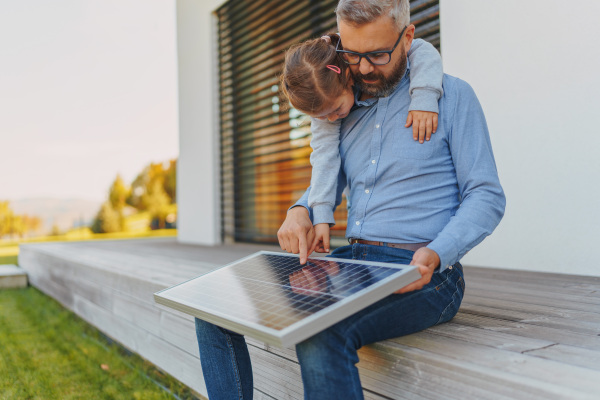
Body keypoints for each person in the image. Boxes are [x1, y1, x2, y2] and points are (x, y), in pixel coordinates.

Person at [196, 0, 506, 398]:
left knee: (321, 330)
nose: (361, 69)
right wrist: (299, 210)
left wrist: (438, 252)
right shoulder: (342, 108)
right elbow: (327, 181)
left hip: (428, 273)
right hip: (354, 262)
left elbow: (486, 196)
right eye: (353, 54)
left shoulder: (453, 97)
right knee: (213, 309)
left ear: (408, 37)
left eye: (376, 55)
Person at [280, 32, 443, 255]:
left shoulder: (353, 57)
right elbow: (324, 160)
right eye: (321, 116)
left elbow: (420, 48)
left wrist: (424, 98)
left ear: (348, 77)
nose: (332, 119)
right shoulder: (325, 104)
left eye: (336, 110)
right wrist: (320, 217)